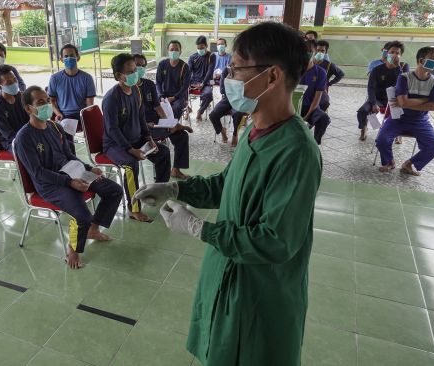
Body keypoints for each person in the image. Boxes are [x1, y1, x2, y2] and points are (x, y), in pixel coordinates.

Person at [133, 22, 321, 366]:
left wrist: (200, 229)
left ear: (273, 76)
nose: (226, 77)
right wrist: (176, 187)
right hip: (228, 267)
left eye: (236, 69)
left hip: (260, 288)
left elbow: (277, 240)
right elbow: (228, 184)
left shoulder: (296, 152)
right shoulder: (256, 127)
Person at [14, 86, 123, 269]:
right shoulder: (24, 138)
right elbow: (38, 172)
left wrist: (89, 168)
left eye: (48, 101)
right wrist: (69, 182)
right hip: (50, 185)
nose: (47, 105)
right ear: (28, 108)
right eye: (40, 103)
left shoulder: (55, 126)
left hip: (73, 172)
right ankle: (72, 249)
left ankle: (93, 230)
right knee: (82, 215)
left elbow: (69, 155)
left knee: (114, 190)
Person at [103, 53, 171, 223]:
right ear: (118, 75)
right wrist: (130, 150)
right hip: (115, 144)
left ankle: (159, 191)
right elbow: (112, 129)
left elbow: (141, 118)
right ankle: (134, 209)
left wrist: (149, 138)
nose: (135, 74)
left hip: (136, 139)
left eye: (135, 69)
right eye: (130, 71)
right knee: (130, 164)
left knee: (163, 152)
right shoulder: (111, 98)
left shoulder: (136, 91)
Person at [376, 46, 434, 176]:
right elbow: (402, 103)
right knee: (381, 140)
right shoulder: (405, 78)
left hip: (420, 121)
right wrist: (425, 99)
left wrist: (408, 103)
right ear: (421, 60)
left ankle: (409, 164)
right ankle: (389, 161)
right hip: (399, 118)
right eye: (432, 59)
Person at [134, 53, 193, 179]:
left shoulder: (149, 84)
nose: (140, 68)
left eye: (143, 66)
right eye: (137, 65)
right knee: (160, 145)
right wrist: (145, 124)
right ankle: (175, 126)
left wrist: (167, 121)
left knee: (182, 136)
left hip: (155, 122)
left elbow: (157, 107)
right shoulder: (128, 90)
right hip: (142, 127)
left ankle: (176, 170)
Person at [48, 43, 96, 152]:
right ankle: (72, 159)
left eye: (71, 55)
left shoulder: (87, 78)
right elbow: (52, 101)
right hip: (64, 115)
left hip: (81, 114)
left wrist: (90, 117)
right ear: (61, 59)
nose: (69, 58)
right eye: (66, 56)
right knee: (66, 133)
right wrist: (58, 113)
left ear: (77, 57)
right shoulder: (55, 78)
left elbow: (89, 105)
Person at [357, 40, 409, 141]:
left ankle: (397, 133)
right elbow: (371, 87)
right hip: (378, 99)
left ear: (400, 56)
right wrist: (373, 103)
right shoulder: (377, 69)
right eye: (391, 52)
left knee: (400, 115)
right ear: (387, 53)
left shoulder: (403, 68)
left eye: (397, 53)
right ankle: (365, 128)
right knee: (362, 111)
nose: (394, 55)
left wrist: (398, 67)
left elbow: (405, 84)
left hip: (395, 100)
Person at [0, 64, 30, 151]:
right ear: (0, 86)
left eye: (15, 80)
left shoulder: (22, 97)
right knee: (31, 148)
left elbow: (32, 120)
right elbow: (9, 135)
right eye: (9, 83)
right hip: (12, 142)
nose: (14, 83)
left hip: (29, 135)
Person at [300, 39, 331, 145]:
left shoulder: (320, 72)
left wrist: (306, 117)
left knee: (324, 118)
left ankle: (314, 143)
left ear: (314, 53)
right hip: (291, 107)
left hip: (310, 107)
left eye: (310, 52)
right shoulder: (293, 70)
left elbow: (316, 99)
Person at [208, 67, 247, 146]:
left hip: (239, 99)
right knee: (213, 115)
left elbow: (246, 89)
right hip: (227, 98)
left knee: (237, 113)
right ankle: (222, 130)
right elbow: (222, 89)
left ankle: (235, 134)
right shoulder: (227, 70)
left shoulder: (245, 71)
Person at [156, 40, 191, 121]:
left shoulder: (184, 67)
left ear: (180, 52)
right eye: (172, 49)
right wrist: (161, 96)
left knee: (176, 108)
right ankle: (162, 127)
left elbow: (185, 86)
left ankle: (173, 127)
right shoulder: (162, 64)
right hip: (164, 95)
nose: (174, 51)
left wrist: (174, 97)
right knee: (154, 107)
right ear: (168, 51)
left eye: (176, 49)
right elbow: (158, 82)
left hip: (178, 96)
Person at [188, 36, 216, 122]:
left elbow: (210, 71)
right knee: (181, 93)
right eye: (198, 48)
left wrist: (203, 84)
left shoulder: (211, 56)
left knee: (208, 94)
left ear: (206, 46)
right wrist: (188, 84)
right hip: (194, 82)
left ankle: (200, 111)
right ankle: (187, 109)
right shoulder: (192, 57)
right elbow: (188, 72)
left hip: (206, 82)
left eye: (202, 47)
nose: (200, 49)